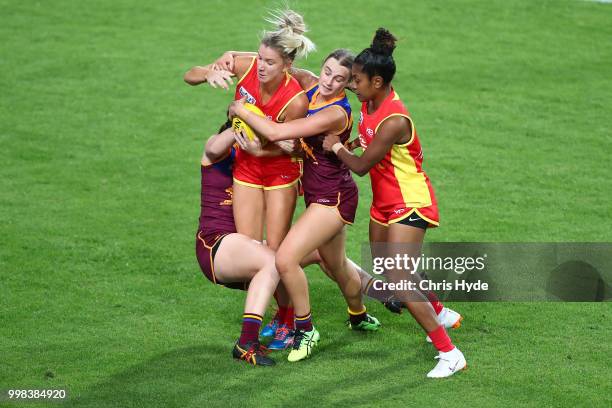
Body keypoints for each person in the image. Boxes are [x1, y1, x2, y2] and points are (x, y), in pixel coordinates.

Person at [322, 28, 466, 378]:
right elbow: (368, 138)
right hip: (384, 204)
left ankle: (449, 352)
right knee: (389, 266)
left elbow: (360, 167)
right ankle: (440, 310)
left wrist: (338, 146)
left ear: (378, 81)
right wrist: (356, 140)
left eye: (356, 80)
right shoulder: (371, 103)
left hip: (410, 203)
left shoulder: (395, 120)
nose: (350, 85)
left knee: (399, 278)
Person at [228, 49, 382, 363]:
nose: (329, 81)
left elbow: (275, 131)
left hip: (333, 199)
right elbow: (273, 62)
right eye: (326, 72)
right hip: (317, 195)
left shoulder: (336, 112)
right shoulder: (310, 84)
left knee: (284, 257)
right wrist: (226, 60)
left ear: (348, 83)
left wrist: (238, 108)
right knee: (336, 266)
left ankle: (305, 329)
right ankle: (358, 313)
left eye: (339, 78)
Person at [185, 9, 314, 347]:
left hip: (279, 174)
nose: (260, 66)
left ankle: (286, 320)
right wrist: (208, 73)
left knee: (276, 251)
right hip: (245, 170)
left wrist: (262, 149)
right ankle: (280, 313)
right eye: (259, 58)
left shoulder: (296, 100)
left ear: (285, 65)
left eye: (269, 62)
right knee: (257, 251)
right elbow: (190, 74)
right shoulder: (242, 67)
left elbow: (295, 148)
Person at [196, 119, 299, 366]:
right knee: (276, 261)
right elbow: (212, 148)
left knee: (311, 251)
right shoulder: (218, 149)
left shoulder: (254, 160)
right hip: (216, 246)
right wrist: (242, 124)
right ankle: (247, 341)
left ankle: (377, 295)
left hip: (243, 246)